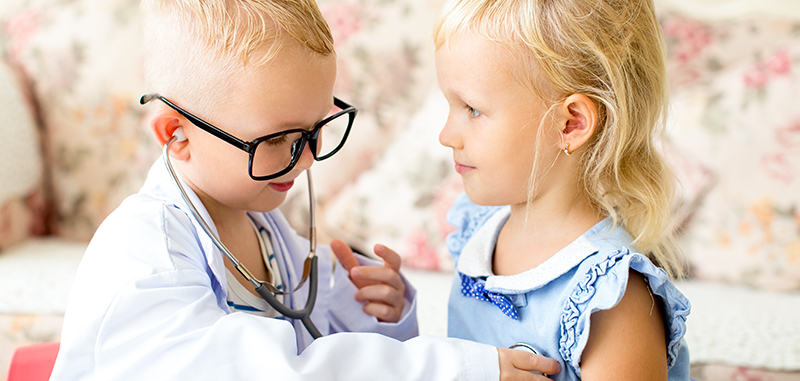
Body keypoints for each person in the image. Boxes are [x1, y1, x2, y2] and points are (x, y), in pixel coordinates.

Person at [49, 0, 561, 379]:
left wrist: (380, 313)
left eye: (314, 130)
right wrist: (457, 370)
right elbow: (277, 370)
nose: (308, 156)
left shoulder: (267, 229)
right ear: (176, 136)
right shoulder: (142, 254)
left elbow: (327, 338)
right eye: (278, 139)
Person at [432, 0, 692, 379]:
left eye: (472, 109)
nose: (445, 136)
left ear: (570, 124)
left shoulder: (608, 296)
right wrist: (395, 318)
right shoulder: (479, 230)